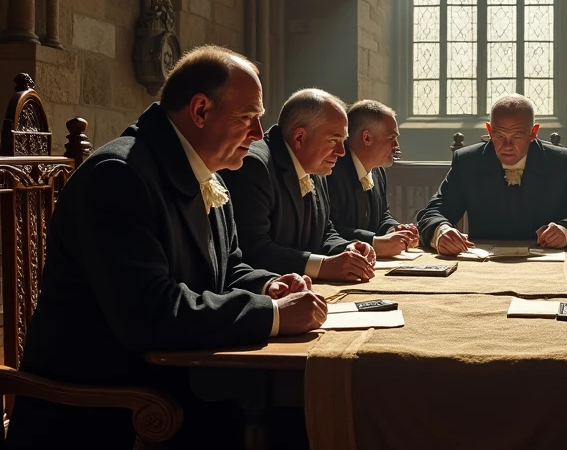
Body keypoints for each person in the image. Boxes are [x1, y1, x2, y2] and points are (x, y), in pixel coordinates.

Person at [7, 46, 327, 449]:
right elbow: (151, 313)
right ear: (200, 111)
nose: (259, 134)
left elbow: (230, 269)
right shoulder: (119, 177)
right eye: (248, 117)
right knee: (295, 423)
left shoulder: (206, 173)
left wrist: (271, 286)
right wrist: (274, 316)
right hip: (111, 409)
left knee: (304, 415)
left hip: (178, 381)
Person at [417, 94, 567, 253]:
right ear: (489, 131)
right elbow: (432, 213)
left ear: (533, 133)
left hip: (548, 267)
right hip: (483, 269)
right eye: (499, 136)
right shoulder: (468, 162)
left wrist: (566, 231)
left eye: (517, 136)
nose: (507, 146)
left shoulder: (561, 163)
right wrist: (440, 231)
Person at [221, 89, 377, 282]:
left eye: (343, 141)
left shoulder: (315, 164)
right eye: (333, 140)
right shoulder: (253, 165)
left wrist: (347, 248)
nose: (341, 152)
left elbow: (324, 230)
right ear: (299, 138)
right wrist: (323, 265)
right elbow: (252, 248)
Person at [327, 100, 419, 258]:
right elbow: (329, 229)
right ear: (367, 138)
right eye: (391, 138)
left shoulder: (378, 171)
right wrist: (374, 241)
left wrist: (394, 229)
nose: (396, 145)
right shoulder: (331, 171)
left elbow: (383, 215)